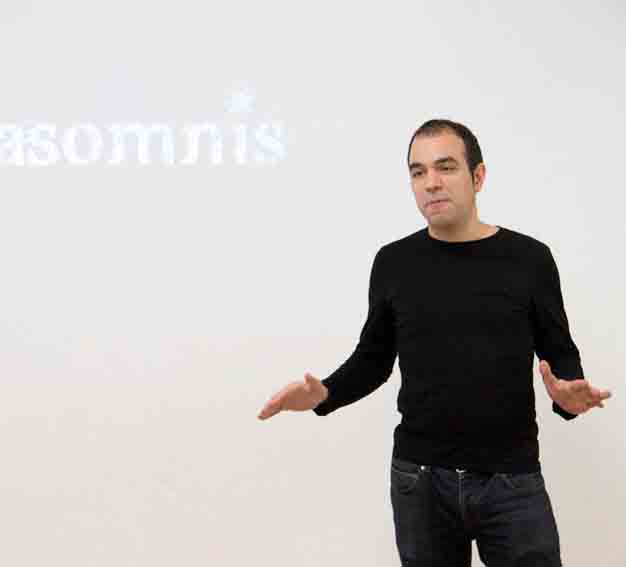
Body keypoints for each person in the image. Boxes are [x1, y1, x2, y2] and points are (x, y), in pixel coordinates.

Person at [256, 119, 613, 566]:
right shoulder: (393, 262)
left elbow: (559, 351)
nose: (431, 183)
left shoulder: (529, 259)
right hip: (420, 482)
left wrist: (568, 394)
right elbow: (373, 359)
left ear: (478, 176)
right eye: (418, 172)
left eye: (445, 167)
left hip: (511, 480)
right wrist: (324, 393)